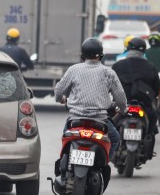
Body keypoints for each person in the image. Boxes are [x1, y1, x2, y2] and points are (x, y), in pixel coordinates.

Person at [54, 38, 127, 166]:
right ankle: (103, 166)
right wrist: (123, 108)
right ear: (101, 55)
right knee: (114, 139)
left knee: (66, 141)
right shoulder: (109, 73)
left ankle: (65, 167)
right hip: (99, 121)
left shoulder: (73, 69)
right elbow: (120, 96)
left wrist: (61, 99)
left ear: (83, 55)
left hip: (75, 120)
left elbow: (59, 91)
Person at [112, 36, 160, 146]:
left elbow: (110, 86)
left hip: (122, 103)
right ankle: (147, 138)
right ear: (143, 50)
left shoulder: (118, 65)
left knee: (109, 119)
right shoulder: (150, 66)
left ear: (128, 49)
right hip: (144, 103)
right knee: (153, 117)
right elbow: (156, 89)